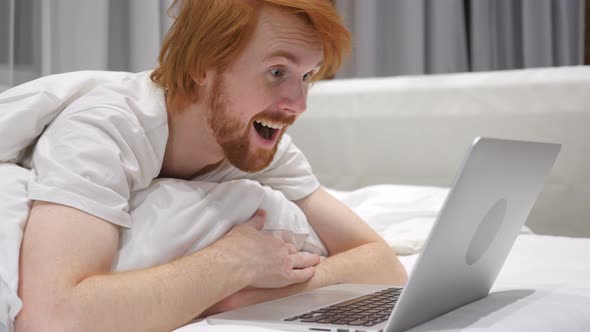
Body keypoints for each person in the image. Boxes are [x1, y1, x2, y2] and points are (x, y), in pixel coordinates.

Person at [5, 0, 407, 331]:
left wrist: (260, 293)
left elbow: (382, 262)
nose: (298, 103)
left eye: (307, 76)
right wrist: (231, 263)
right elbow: (50, 317)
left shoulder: (261, 145)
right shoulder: (105, 128)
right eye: (277, 72)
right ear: (202, 65)